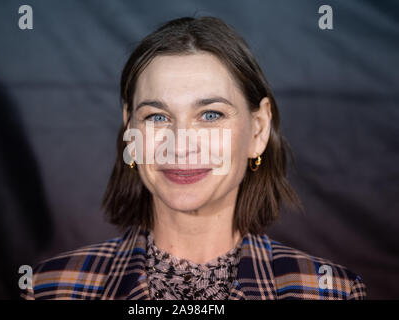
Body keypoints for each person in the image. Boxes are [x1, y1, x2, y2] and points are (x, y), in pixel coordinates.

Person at [22, 16, 366, 300]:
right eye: (157, 117)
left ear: (258, 130)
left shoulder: (330, 292)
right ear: (130, 129)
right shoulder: (51, 288)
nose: (180, 145)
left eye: (211, 115)